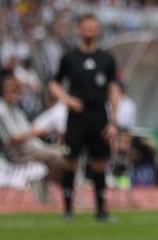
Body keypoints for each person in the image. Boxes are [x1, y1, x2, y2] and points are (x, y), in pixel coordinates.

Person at [48, 13, 121, 221]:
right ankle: (68, 209)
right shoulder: (70, 57)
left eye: (93, 26)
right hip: (77, 116)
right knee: (71, 160)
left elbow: (114, 89)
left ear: (98, 30)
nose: (89, 30)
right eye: (86, 26)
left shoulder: (106, 59)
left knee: (100, 162)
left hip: (99, 115)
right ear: (79, 29)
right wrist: (66, 98)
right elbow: (53, 84)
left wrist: (113, 121)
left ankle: (101, 210)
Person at [0, 74, 66, 184]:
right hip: (19, 152)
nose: (13, 95)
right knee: (60, 156)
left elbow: (31, 129)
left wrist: (46, 131)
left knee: (65, 152)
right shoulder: (2, 111)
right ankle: (53, 187)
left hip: (33, 147)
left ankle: (47, 187)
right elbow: (13, 140)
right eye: (10, 92)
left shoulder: (16, 110)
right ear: (3, 92)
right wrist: (35, 132)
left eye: (16, 92)